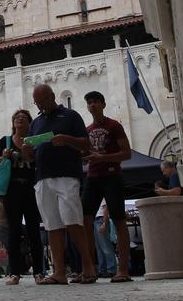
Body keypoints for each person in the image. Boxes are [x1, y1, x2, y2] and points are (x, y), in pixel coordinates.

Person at [21, 84, 95, 285]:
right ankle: (59, 272)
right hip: (43, 178)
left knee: (73, 221)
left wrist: (66, 139)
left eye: (43, 101)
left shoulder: (71, 116)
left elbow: (86, 144)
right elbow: (35, 154)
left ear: (52, 96)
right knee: (52, 225)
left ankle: (88, 266)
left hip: (67, 175)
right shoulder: (35, 124)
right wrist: (28, 153)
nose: (41, 105)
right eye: (37, 102)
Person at [0, 109, 44, 285]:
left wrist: (32, 154)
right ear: (13, 123)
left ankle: (39, 273)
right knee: (13, 231)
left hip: (30, 189)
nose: (20, 119)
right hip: (11, 191)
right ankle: (14, 273)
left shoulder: (35, 141)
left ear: (29, 123)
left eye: (24, 118)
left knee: (34, 231)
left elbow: (42, 161)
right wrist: (2, 157)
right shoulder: (6, 141)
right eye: (17, 118)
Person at [80, 91, 133, 283]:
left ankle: (123, 269)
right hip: (93, 177)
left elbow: (127, 154)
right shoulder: (86, 130)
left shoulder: (114, 126)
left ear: (103, 104)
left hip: (112, 176)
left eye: (95, 102)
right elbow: (84, 155)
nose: (92, 105)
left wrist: (104, 158)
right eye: (89, 103)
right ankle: (90, 268)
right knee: (85, 219)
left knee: (119, 220)